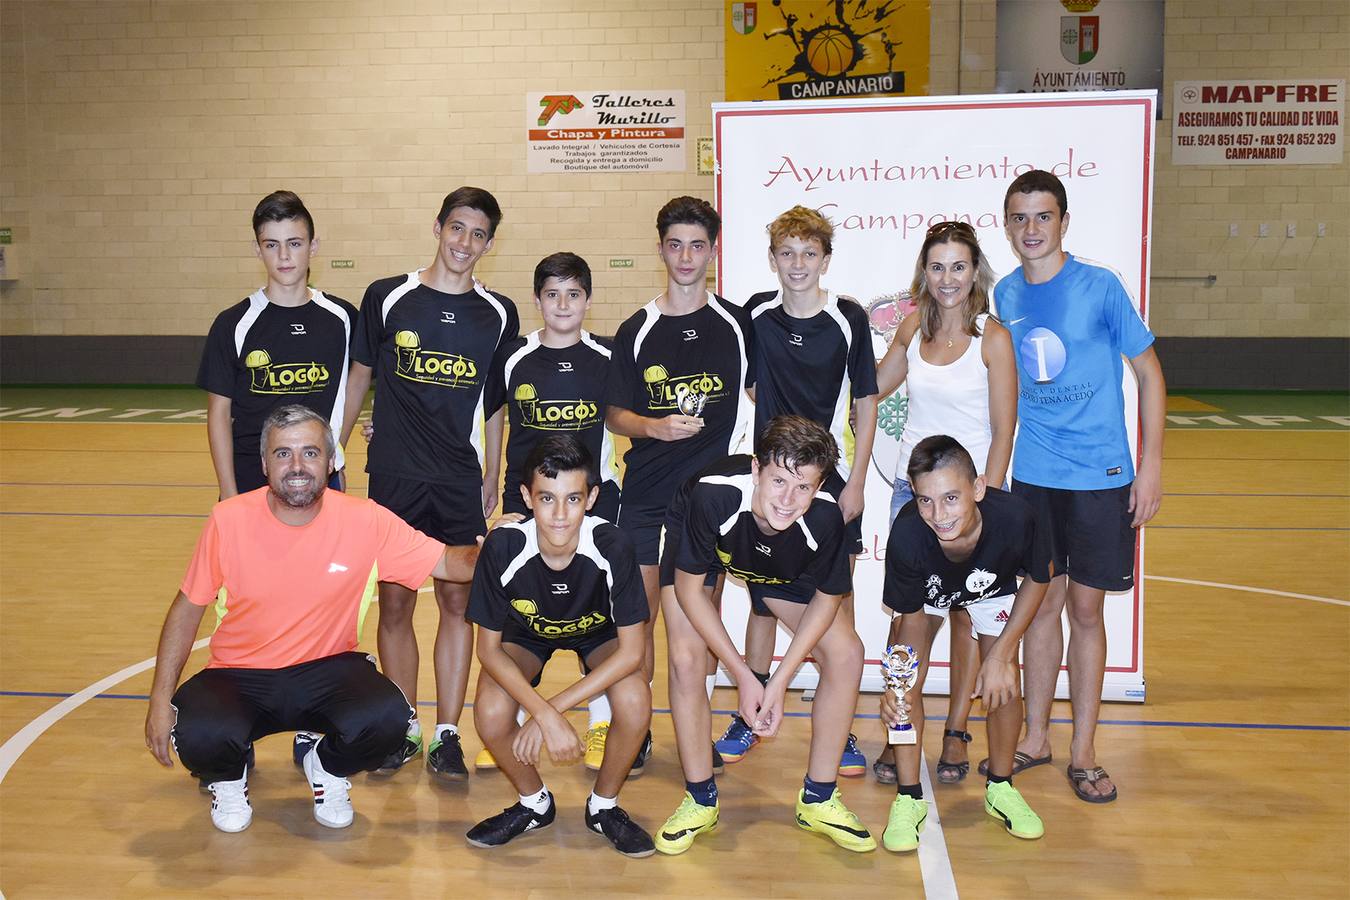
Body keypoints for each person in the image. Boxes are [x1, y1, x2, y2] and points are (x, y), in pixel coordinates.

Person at [143, 405, 480, 833]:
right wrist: (158, 700)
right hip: (239, 673)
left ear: (332, 460)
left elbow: (449, 562)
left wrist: (500, 549)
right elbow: (185, 610)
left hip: (328, 671)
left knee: (391, 722)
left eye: (310, 452)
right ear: (264, 463)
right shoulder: (228, 520)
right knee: (196, 731)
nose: (297, 466)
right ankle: (227, 780)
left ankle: (327, 768)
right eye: (283, 454)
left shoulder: (365, 519)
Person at [996, 169, 1166, 803]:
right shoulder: (1006, 296)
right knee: (1039, 606)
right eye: (1019, 217)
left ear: (1063, 221)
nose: (1031, 228)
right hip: (1034, 478)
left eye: (1043, 216)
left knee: (1086, 610)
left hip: (1100, 478)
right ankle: (1037, 737)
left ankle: (1085, 750)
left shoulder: (1101, 287)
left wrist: (1150, 466)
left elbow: (1149, 374)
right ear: (1007, 226)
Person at [341, 186, 519, 780]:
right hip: (394, 475)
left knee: (456, 600)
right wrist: (335, 450)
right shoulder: (387, 297)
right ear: (438, 227)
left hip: (457, 478)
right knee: (393, 601)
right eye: (457, 229)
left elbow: (496, 402)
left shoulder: (498, 313)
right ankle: (401, 726)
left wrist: (494, 471)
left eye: (478, 234)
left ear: (490, 244)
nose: (464, 243)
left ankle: (446, 732)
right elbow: (361, 376)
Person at [655, 415, 873, 855]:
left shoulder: (827, 516)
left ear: (819, 486)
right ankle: (699, 799)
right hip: (712, 549)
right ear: (757, 470)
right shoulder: (712, 495)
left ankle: (818, 798)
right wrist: (745, 676)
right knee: (685, 660)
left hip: (778, 564)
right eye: (778, 481)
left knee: (847, 654)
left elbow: (828, 601)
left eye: (804, 487)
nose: (788, 499)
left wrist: (778, 682)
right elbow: (689, 592)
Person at [719, 205, 878, 777]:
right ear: (772, 259)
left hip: (830, 476)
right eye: (787, 253)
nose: (798, 264)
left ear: (826, 259)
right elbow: (747, 385)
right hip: (771, 478)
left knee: (840, 604)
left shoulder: (848, 318)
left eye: (809, 253)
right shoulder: (755, 313)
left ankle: (846, 729)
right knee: (761, 596)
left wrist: (855, 480)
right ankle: (750, 710)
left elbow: (866, 399)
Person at [605, 195, 754, 771]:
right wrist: (653, 426)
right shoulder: (636, 329)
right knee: (636, 624)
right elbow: (615, 413)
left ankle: (700, 730)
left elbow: (763, 396)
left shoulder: (738, 325)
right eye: (675, 245)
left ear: (712, 251)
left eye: (697, 245)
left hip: (706, 504)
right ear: (660, 248)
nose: (686, 256)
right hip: (643, 498)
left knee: (699, 625)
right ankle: (636, 730)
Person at [871, 219, 1017, 785]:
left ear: (974, 271)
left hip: (974, 496)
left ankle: (956, 732)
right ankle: (899, 733)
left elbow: (1004, 429)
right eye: (938, 267)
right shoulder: (911, 329)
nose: (948, 278)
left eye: (958, 266)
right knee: (909, 624)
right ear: (924, 273)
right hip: (914, 496)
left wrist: (993, 502)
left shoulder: (993, 338)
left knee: (967, 617)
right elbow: (872, 385)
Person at [464, 435, 654, 857]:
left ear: (592, 498)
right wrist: (542, 713)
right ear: (527, 497)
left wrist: (551, 713)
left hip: (597, 633)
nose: (560, 514)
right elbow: (488, 650)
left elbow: (632, 653)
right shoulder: (504, 545)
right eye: (547, 498)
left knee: (636, 699)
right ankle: (534, 803)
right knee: (491, 710)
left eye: (573, 498)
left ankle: (603, 807)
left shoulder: (613, 545)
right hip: (527, 634)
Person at [481, 251, 620, 772]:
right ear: (536, 300)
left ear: (588, 299)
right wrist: (493, 479)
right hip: (528, 508)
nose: (563, 304)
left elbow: (626, 418)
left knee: (601, 619)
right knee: (519, 617)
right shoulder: (514, 357)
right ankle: (511, 724)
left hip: (590, 506)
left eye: (574, 294)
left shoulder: (609, 357)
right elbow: (493, 414)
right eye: (552, 294)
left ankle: (604, 724)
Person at [878, 435, 1049, 852]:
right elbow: (909, 623)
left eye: (951, 497)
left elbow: (1039, 580)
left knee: (1005, 681)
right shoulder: (908, 534)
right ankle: (908, 797)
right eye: (925, 501)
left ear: (978, 488)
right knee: (903, 690)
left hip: (990, 588)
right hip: (928, 597)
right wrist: (899, 682)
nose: (938, 514)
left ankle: (1001, 788)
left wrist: (1004, 653)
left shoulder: (1015, 517)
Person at [197, 191, 357, 498]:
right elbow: (219, 414)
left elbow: (373, 375)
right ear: (258, 250)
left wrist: (337, 453)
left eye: (294, 243)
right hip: (249, 481)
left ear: (314, 246)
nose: (284, 256)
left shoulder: (343, 318)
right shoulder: (233, 323)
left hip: (318, 480)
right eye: (272, 245)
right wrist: (228, 492)